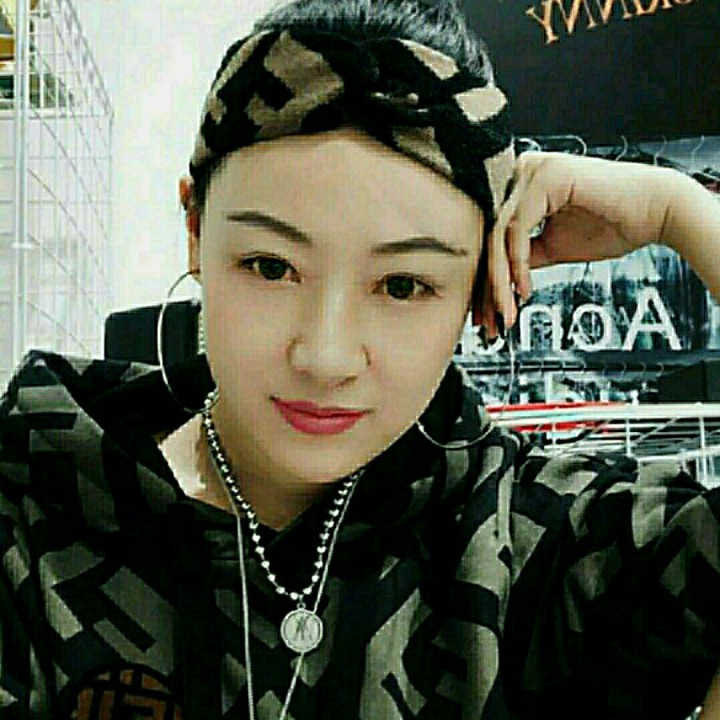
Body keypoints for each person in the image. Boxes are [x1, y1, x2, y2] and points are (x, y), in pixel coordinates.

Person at [0, 1, 719, 718]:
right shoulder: (34, 507)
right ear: (195, 231)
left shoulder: (532, 544)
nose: (325, 356)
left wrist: (678, 213)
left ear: (478, 285)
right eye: (271, 267)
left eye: (402, 285)